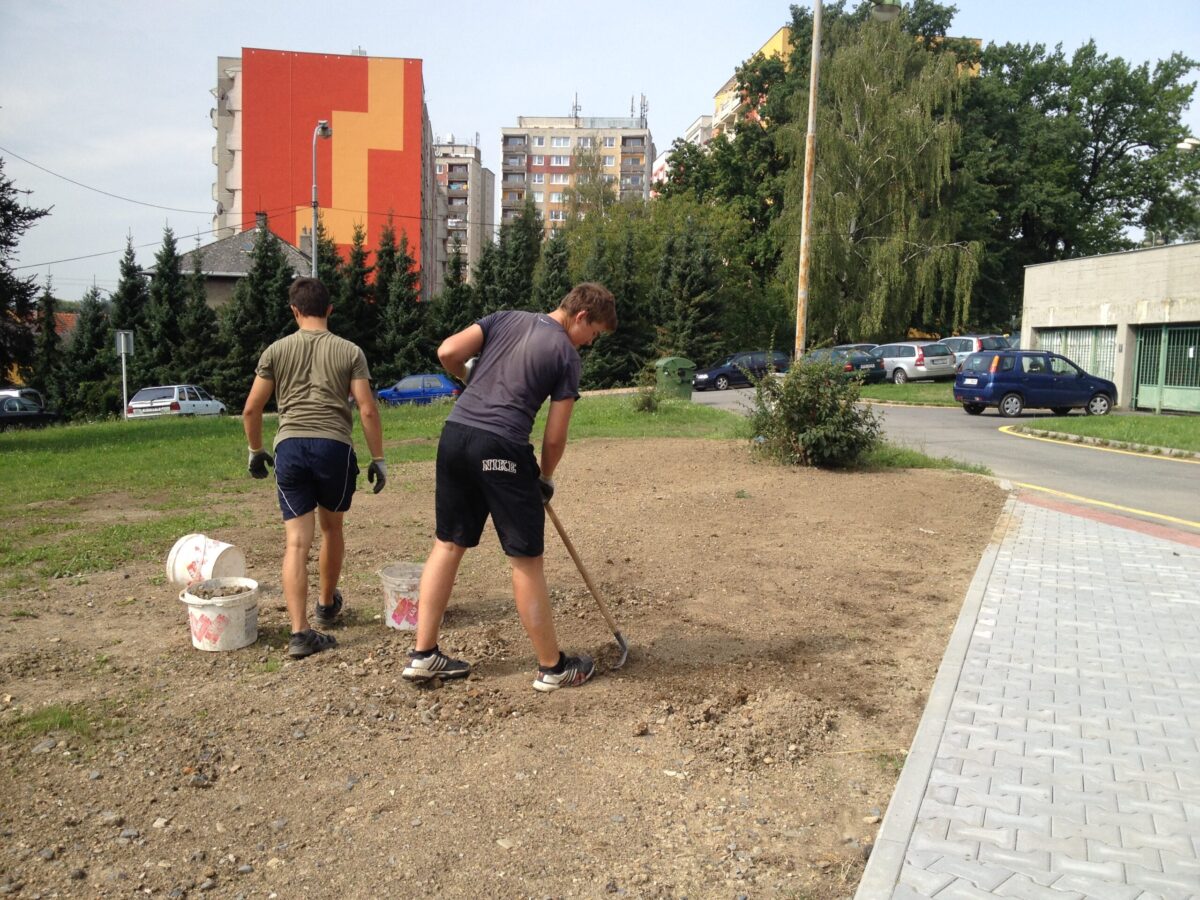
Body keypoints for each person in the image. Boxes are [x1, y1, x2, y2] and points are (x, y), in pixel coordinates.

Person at [402, 283, 617, 691]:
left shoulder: (505, 318)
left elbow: (447, 352)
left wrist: (471, 376)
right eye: (594, 333)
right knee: (525, 559)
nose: (590, 343)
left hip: (455, 436)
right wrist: (545, 477)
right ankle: (553, 668)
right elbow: (554, 437)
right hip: (501, 446)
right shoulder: (565, 355)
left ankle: (423, 654)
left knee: (447, 544)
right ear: (582, 317)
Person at [242, 276, 388, 660]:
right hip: (334, 447)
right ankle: (325, 605)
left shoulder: (275, 351)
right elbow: (367, 409)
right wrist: (378, 459)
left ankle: (299, 632)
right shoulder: (350, 351)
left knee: (296, 542)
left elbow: (251, 409)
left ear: (294, 311)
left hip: (290, 447)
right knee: (332, 528)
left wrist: (256, 451)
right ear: (329, 310)